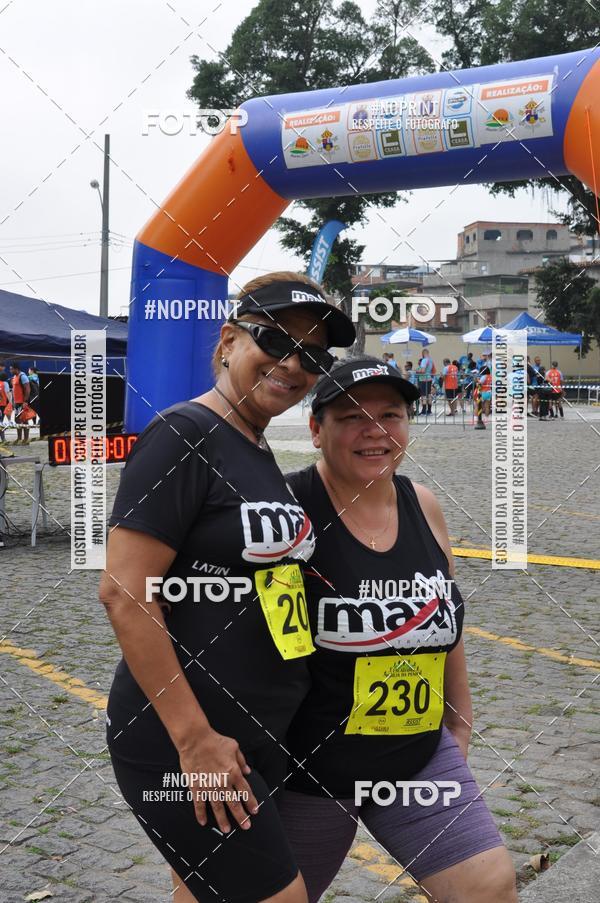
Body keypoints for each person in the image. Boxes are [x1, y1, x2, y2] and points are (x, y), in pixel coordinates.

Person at [99, 271, 355, 903]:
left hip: (257, 732)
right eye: (274, 339)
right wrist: (194, 740)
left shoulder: (255, 450)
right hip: (188, 739)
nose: (293, 365)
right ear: (228, 340)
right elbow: (126, 593)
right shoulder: (184, 435)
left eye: (314, 355)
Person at [277, 356, 517, 903]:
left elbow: (444, 617)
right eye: (352, 416)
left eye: (392, 414)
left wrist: (459, 715)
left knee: (489, 887)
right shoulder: (288, 512)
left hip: (414, 757)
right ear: (316, 430)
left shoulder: (423, 504)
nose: (375, 431)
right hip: (308, 768)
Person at [9, 363, 30, 445]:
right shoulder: (14, 377)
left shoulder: (23, 376)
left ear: (16, 369)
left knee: (24, 420)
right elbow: (14, 391)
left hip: (22, 402)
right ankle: (19, 438)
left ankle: (26, 440)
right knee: (17, 420)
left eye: (11, 369)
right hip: (17, 403)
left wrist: (25, 401)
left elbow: (27, 389)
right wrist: (13, 402)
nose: (10, 370)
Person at [415, 348, 434, 416]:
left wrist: (417, 371)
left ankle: (423, 411)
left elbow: (422, 371)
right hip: (429, 379)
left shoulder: (424, 360)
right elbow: (432, 370)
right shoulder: (431, 360)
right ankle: (429, 410)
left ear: (423, 353)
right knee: (428, 395)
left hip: (423, 379)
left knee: (423, 396)